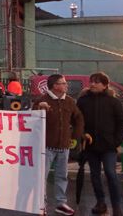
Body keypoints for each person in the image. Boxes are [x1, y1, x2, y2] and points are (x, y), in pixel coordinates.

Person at [33, 74, 84, 216]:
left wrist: (75, 136)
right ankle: (41, 205)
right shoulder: (42, 100)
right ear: (55, 85)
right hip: (46, 146)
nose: (66, 85)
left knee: (62, 176)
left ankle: (61, 203)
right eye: (63, 83)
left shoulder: (69, 101)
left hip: (63, 146)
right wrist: (38, 108)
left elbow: (78, 118)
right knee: (42, 176)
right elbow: (31, 119)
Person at [77, 72, 123, 216]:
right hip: (91, 146)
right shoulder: (83, 101)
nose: (92, 84)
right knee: (94, 175)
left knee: (111, 174)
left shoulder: (114, 102)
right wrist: (83, 134)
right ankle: (100, 202)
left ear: (105, 85)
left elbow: (122, 122)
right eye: (91, 81)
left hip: (108, 147)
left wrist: (116, 141)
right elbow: (78, 121)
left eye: (97, 82)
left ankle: (116, 206)